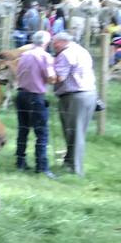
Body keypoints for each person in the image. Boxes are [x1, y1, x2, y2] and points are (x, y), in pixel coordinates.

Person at [51, 31, 97, 176]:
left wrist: (44, 74)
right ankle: (69, 162)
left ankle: (75, 169)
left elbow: (60, 77)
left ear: (59, 42)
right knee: (76, 132)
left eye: (54, 44)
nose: (54, 47)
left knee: (74, 133)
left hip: (74, 96)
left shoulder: (65, 54)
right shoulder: (82, 50)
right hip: (89, 94)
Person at [14, 30, 56, 178]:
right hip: (36, 95)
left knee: (23, 129)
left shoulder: (24, 55)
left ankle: (20, 161)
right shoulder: (45, 57)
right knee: (41, 132)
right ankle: (42, 166)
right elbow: (51, 77)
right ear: (46, 42)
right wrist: (53, 79)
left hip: (21, 94)